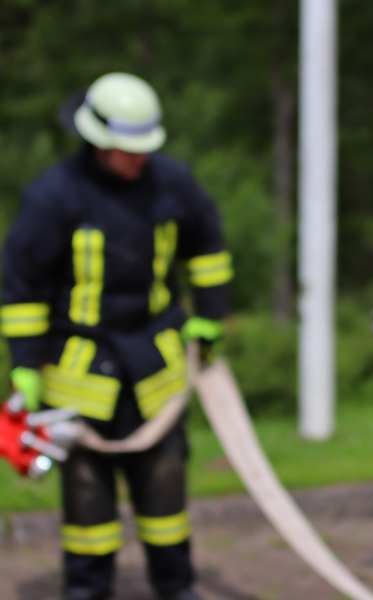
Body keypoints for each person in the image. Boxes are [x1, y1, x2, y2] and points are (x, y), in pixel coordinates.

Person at [0, 72, 232, 600]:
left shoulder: (173, 184)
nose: (138, 160)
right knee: (87, 496)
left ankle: (176, 588)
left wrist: (209, 315)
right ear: (98, 141)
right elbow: (24, 288)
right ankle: (87, 590)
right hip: (79, 370)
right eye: (129, 151)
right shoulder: (53, 197)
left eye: (145, 149)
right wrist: (25, 366)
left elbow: (208, 248)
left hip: (155, 365)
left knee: (165, 486)